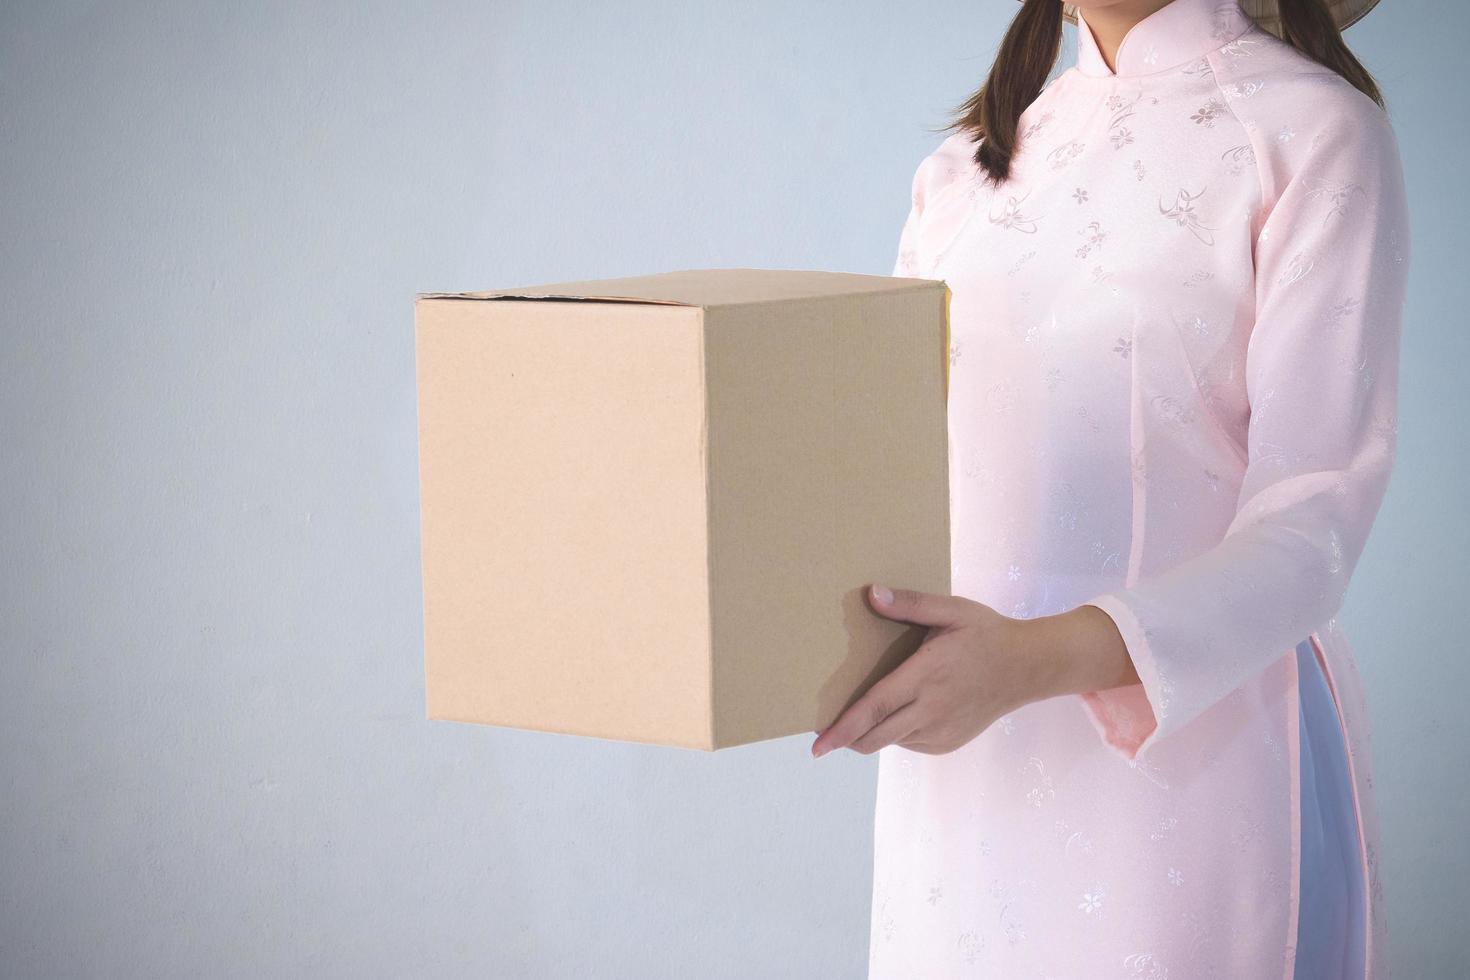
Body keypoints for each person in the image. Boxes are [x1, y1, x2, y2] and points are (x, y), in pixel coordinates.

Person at [807, 0, 1409, 976]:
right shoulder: (967, 166)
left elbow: (1312, 528)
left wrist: (1030, 661)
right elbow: (881, 467)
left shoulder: (1312, 134)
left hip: (1188, 768)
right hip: (963, 760)